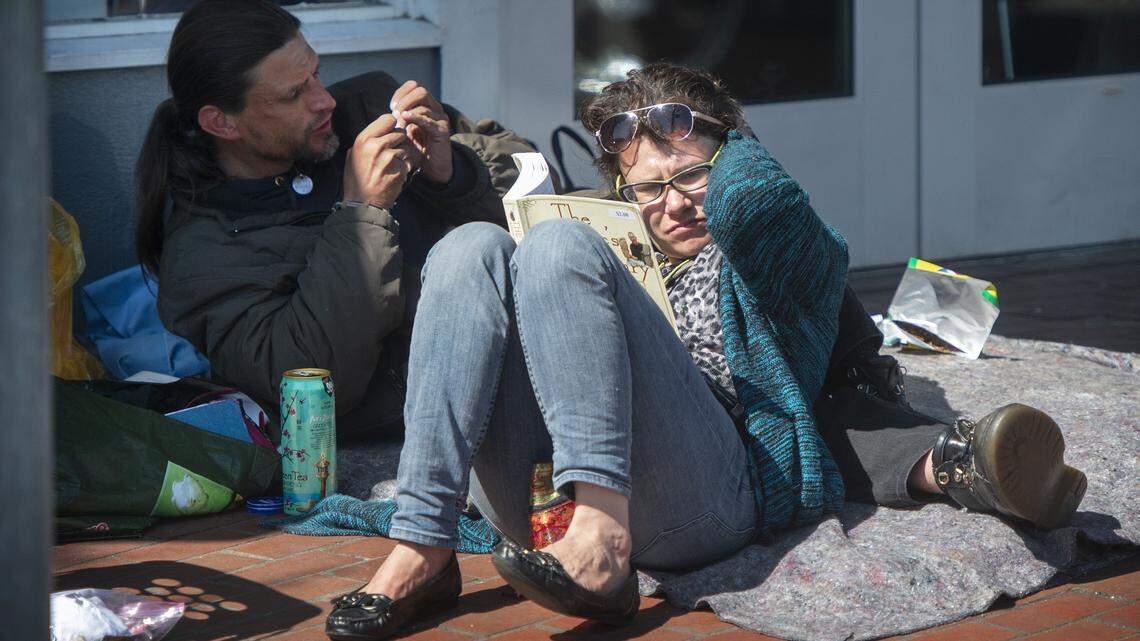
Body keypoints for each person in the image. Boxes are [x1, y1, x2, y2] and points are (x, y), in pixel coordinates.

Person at [323, 63, 1087, 639]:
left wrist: (714, 135)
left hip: (702, 496)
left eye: (692, 176)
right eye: (649, 189)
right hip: (536, 498)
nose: (675, 202)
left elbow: (761, 200)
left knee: (559, 246)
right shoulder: (614, 247)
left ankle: (604, 537)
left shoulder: (765, 254)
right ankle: (420, 546)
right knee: (469, 245)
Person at [135, 0, 533, 437]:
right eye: (293, 94)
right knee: (472, 251)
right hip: (450, 413)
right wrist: (361, 213)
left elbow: (537, 179)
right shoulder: (203, 257)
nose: (323, 100)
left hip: (535, 328)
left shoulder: (362, 109)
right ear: (222, 123)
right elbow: (309, 382)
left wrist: (454, 170)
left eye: (316, 74)